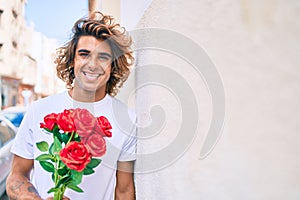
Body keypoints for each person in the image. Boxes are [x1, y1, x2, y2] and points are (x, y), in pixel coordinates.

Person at [6, 11, 136, 200]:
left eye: (103, 57)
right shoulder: (39, 110)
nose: (92, 64)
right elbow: (16, 176)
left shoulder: (128, 119)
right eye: (84, 54)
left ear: (113, 65)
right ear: (72, 59)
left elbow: (124, 190)